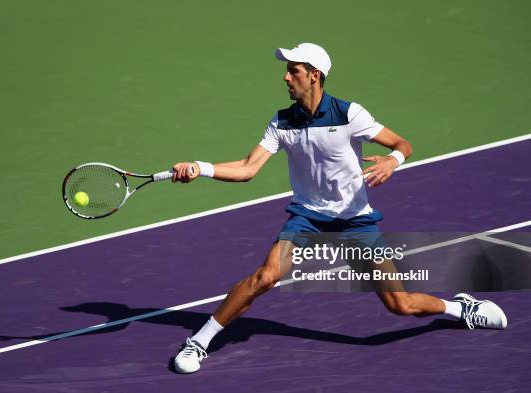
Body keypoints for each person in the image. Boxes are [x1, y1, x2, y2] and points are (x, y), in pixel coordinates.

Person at [169, 43, 507, 374]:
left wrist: (393, 159)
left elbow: (402, 143)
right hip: (308, 217)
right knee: (266, 276)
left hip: (355, 220)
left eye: (293, 71)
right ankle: (198, 342)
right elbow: (247, 168)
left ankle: (460, 307)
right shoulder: (282, 121)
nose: (286, 78)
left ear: (314, 75)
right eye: (287, 71)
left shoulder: (349, 114)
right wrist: (203, 167)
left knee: (400, 305)